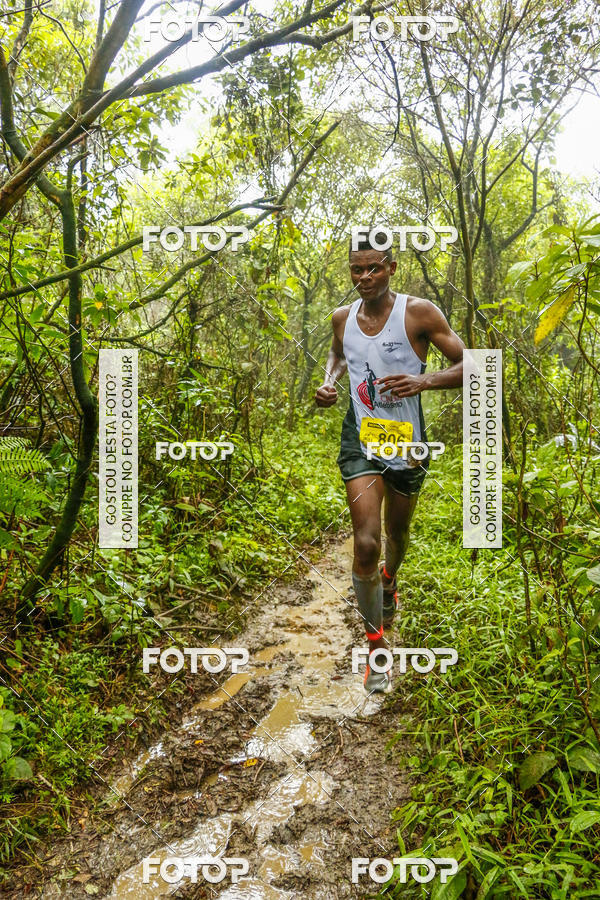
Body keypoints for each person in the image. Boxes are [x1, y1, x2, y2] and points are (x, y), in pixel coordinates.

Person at [315, 230, 465, 693]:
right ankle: (376, 647)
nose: (364, 277)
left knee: (396, 535)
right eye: (356, 269)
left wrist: (425, 382)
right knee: (365, 541)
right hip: (359, 439)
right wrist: (329, 381)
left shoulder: (418, 313)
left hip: (406, 444)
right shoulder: (342, 317)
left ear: (391, 268)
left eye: (373, 267)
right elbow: (340, 354)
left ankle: (390, 580)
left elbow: (477, 365)